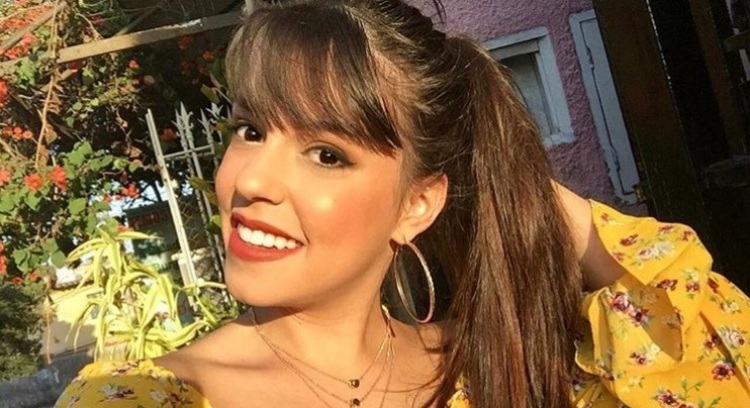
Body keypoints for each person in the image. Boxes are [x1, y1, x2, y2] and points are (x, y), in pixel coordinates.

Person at [55, 0, 750, 407]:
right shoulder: (153, 396)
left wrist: (508, 175)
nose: (252, 180)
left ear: (417, 206)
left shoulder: (494, 374)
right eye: (251, 130)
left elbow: (712, 360)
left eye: (327, 153)